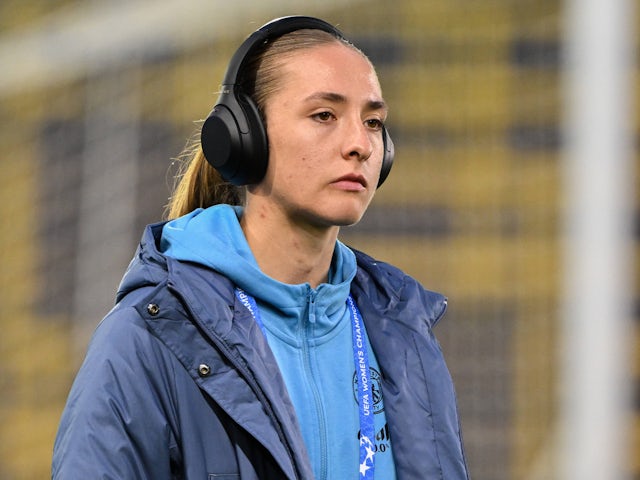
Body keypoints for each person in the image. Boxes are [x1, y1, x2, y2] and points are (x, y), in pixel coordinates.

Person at [52, 16, 470, 480]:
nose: (360, 145)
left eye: (372, 122)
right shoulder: (149, 336)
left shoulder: (404, 335)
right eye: (324, 115)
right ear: (244, 138)